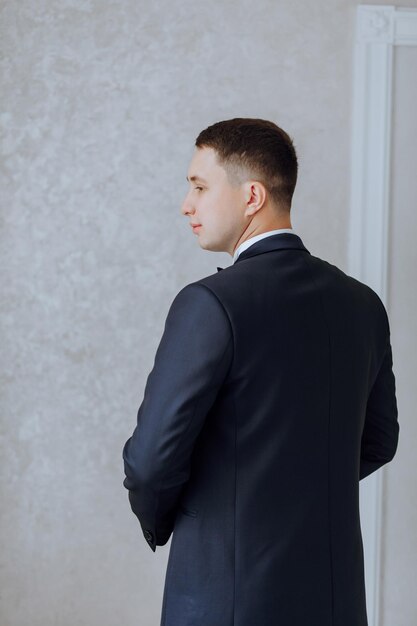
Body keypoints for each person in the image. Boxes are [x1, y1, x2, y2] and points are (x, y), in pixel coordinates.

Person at [122, 117, 399, 626]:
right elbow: (380, 440)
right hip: (336, 602)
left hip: (226, 598)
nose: (187, 204)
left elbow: (150, 461)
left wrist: (176, 518)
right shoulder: (363, 305)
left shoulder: (210, 304)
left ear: (251, 196)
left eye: (200, 186)